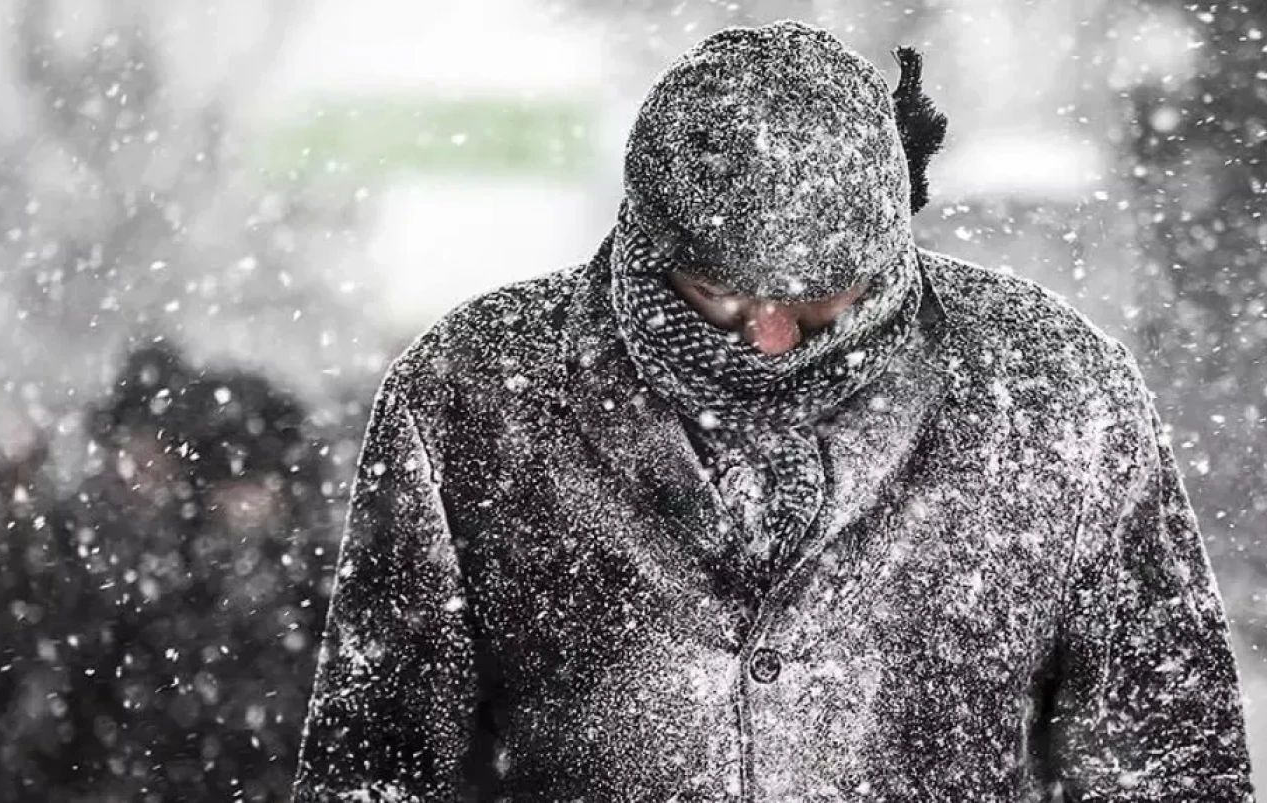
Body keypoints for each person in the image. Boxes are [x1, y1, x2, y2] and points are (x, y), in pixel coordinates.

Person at [293, 20, 1256, 802]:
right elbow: (375, 764)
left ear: (891, 242)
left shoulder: (1052, 389)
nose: (768, 338)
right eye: (719, 292)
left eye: (815, 300)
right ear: (644, 239)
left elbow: (1166, 756)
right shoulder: (472, 393)